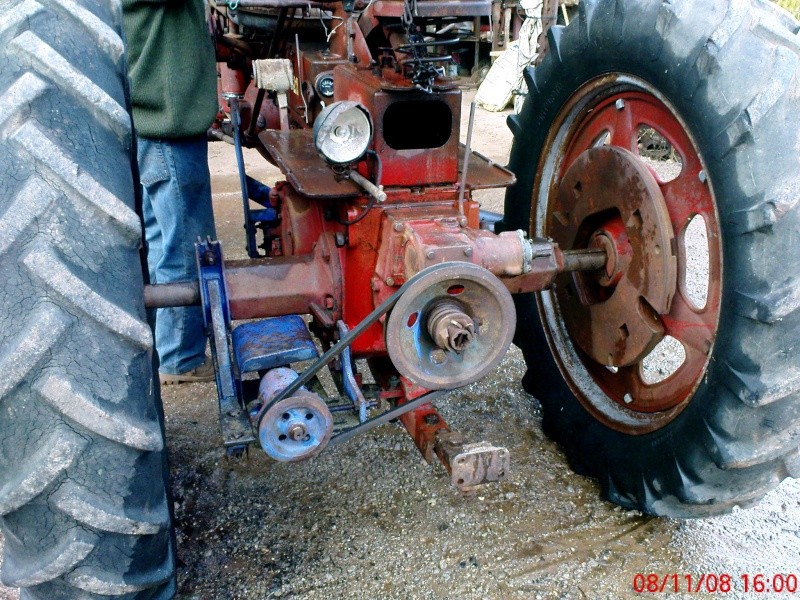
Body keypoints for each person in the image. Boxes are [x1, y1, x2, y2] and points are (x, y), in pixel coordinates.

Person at [123, 0, 218, 384]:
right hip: (168, 126)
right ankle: (183, 358)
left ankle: (172, 349)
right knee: (184, 245)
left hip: (157, 124)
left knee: (163, 237)